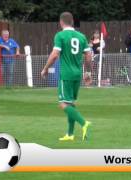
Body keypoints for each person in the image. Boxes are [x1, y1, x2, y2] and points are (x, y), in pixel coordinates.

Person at [41, 12, 92, 141]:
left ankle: (83, 123)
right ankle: (70, 134)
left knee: (63, 104)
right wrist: (88, 73)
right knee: (70, 103)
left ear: (61, 22)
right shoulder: (81, 36)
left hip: (66, 74)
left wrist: (45, 69)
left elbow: (54, 55)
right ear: (72, 22)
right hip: (77, 74)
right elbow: (88, 56)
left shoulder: (60, 35)